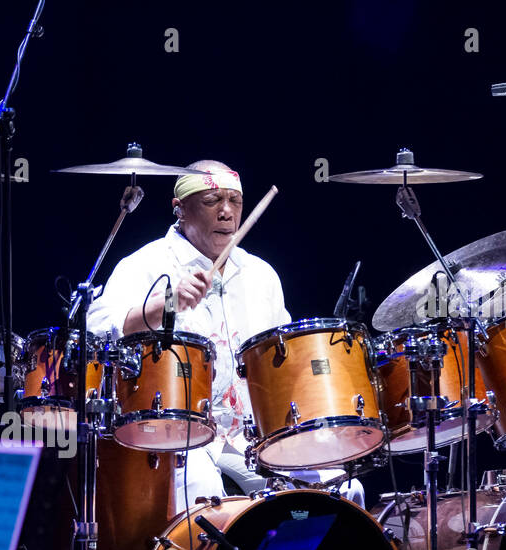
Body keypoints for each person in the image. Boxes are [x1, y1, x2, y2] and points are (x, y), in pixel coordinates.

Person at [87, 160, 363, 509]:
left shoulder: (261, 275)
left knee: (339, 490)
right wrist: (160, 305)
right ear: (180, 209)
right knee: (201, 497)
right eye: (212, 201)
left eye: (235, 201)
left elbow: (285, 357)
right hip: (180, 431)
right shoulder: (145, 265)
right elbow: (96, 330)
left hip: (253, 433)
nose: (227, 212)